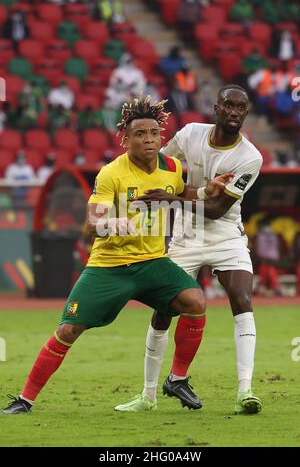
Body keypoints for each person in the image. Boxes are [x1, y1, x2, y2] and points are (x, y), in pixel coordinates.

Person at [2, 94, 231, 414]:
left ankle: (177, 379)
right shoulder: (112, 174)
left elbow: (184, 193)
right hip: (109, 266)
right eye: (140, 134)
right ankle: (24, 400)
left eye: (153, 133)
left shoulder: (173, 167)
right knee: (68, 329)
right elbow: (89, 226)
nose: (149, 139)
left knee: (195, 301)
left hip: (152, 262)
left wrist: (210, 189)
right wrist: (109, 223)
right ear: (126, 139)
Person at [115, 85, 263, 415]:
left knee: (243, 300)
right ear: (216, 108)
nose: (235, 112)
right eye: (229, 105)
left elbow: (216, 209)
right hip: (185, 239)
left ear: (246, 113)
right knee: (163, 311)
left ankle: (245, 391)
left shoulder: (249, 158)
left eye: (241, 107)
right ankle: (148, 395)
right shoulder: (190, 134)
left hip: (227, 236)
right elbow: (160, 165)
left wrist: (171, 198)